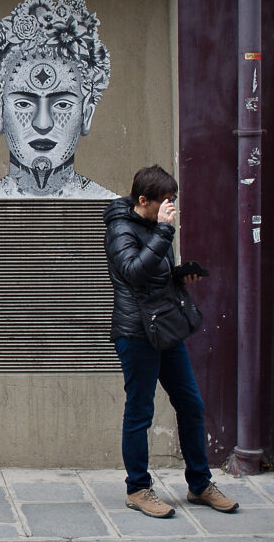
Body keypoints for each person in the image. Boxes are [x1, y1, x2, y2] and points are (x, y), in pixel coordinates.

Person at [104, 165, 238, 518]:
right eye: (165, 201)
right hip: (136, 334)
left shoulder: (154, 227)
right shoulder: (121, 230)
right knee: (140, 412)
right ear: (143, 200)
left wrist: (179, 275)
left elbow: (154, 276)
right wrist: (164, 230)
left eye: (173, 200)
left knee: (191, 405)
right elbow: (132, 272)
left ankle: (199, 483)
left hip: (165, 329)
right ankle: (138, 488)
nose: (171, 207)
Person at [0, 0, 115, 198]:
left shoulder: (109, 206)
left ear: (86, 115)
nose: (42, 123)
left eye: (62, 105)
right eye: (23, 104)